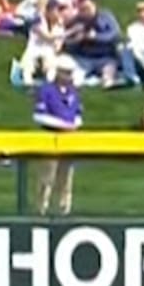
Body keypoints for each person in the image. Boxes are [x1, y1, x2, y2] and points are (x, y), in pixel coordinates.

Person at [33, 59, 83, 216]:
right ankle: (42, 208)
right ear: (59, 72)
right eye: (66, 73)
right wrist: (62, 124)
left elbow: (78, 114)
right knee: (47, 176)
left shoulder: (73, 92)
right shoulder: (46, 90)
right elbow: (39, 116)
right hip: (51, 137)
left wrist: (74, 124)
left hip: (69, 138)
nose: (69, 76)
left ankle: (64, 209)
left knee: (67, 176)